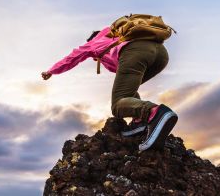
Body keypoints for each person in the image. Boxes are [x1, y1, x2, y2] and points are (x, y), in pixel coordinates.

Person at [41, 20, 178, 151]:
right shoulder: (118, 34)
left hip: (135, 52)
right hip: (161, 54)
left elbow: (71, 59)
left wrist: (51, 71)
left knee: (118, 103)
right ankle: (139, 122)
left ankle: (154, 112)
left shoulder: (93, 43)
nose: (95, 59)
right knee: (128, 91)